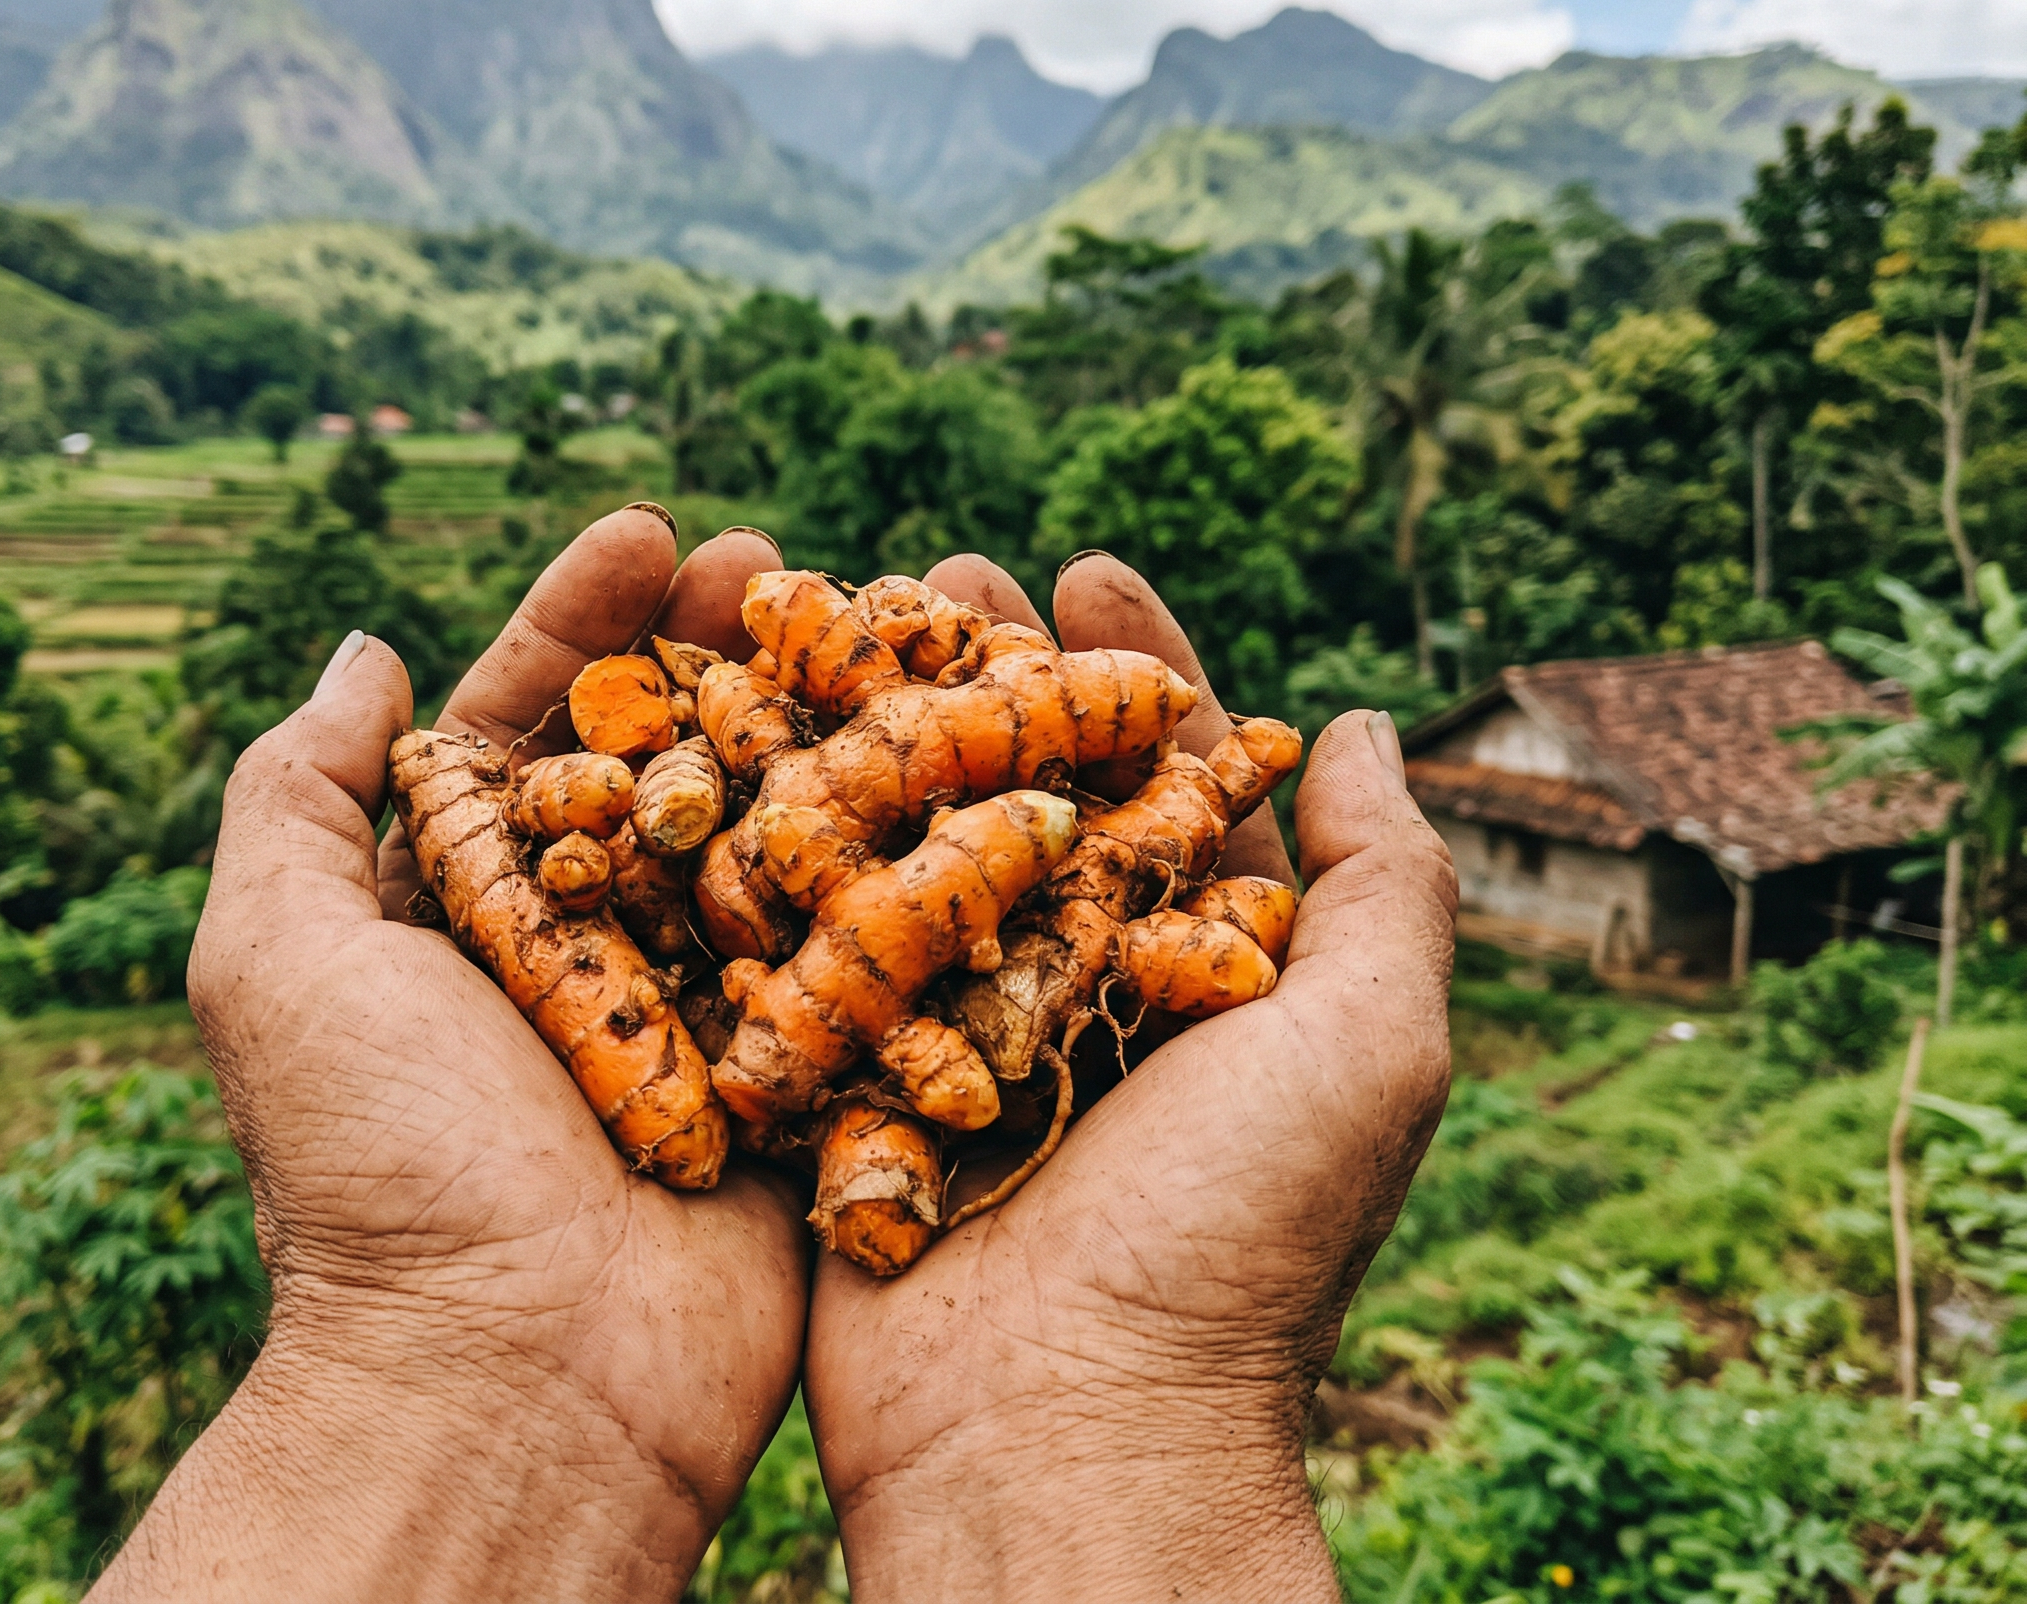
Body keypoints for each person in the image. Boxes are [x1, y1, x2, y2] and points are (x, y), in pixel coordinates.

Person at [88, 506, 1456, 1603]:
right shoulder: (737, 840)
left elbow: (839, 891)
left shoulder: (881, 854)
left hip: (837, 964)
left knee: (832, 893)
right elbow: (784, 891)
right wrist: (450, 1349)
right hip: (795, 985)